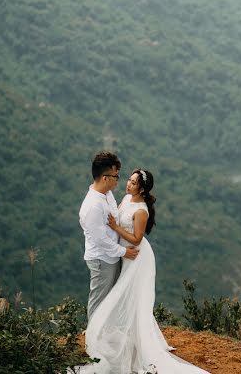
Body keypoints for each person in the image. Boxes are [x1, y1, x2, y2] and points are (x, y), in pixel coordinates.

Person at [78, 168, 209, 374]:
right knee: (121, 294)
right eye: (128, 180)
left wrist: (114, 227)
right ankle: (109, 334)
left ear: (141, 188)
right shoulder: (126, 198)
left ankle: (130, 340)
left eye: (133, 182)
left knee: (131, 296)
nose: (128, 184)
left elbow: (136, 238)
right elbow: (116, 217)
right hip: (123, 252)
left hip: (136, 255)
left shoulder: (141, 210)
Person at [79, 151, 139, 321]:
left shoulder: (107, 194)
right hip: (101, 259)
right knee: (98, 300)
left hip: (111, 256)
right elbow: (100, 240)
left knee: (111, 299)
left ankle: (104, 336)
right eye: (116, 176)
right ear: (105, 178)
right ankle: (93, 340)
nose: (117, 180)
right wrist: (123, 252)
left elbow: (115, 218)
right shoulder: (93, 205)